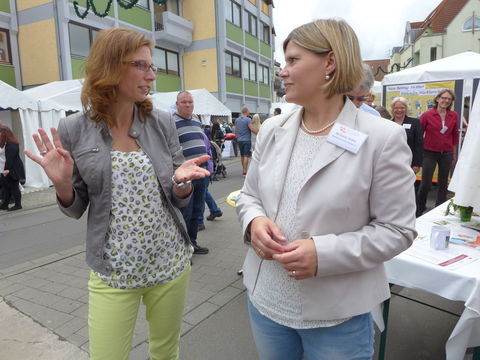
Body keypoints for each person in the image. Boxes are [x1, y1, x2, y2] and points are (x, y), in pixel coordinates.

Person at [236, 18, 416, 360]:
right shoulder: (273, 129)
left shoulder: (382, 137)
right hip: (266, 303)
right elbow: (249, 196)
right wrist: (254, 223)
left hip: (338, 317)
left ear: (329, 63)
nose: (283, 71)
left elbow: (398, 230)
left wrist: (324, 254)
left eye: (293, 60)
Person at [24, 28, 209, 360]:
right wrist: (63, 185)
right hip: (113, 270)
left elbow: (179, 195)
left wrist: (182, 184)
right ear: (109, 66)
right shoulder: (73, 128)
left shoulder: (161, 122)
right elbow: (76, 206)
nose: (151, 74)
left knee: (166, 352)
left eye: (151, 66)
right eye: (140, 65)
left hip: (170, 263)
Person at [174, 91, 210, 255]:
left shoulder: (197, 122)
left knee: (197, 210)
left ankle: (193, 243)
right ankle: (183, 248)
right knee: (185, 213)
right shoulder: (171, 122)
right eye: (184, 102)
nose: (188, 104)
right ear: (177, 104)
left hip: (201, 174)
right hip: (185, 176)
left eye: (190, 102)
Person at [416, 89, 459, 217]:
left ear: (451, 102)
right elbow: (419, 135)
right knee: (426, 182)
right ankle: (420, 208)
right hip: (429, 152)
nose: (446, 101)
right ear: (437, 99)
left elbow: (455, 135)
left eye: (449, 99)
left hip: (446, 153)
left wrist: (454, 154)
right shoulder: (427, 115)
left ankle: (439, 209)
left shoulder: (454, 115)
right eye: (444, 98)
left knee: (443, 182)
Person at [390, 97, 423, 174]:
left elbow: (419, 144)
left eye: (402, 108)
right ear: (392, 109)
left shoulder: (415, 123)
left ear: (406, 109)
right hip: (391, 161)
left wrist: (417, 164)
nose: (399, 110)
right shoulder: (388, 123)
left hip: (409, 162)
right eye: (396, 108)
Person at [197, 132, 223, 231]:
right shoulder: (203, 134)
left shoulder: (199, 134)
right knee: (203, 191)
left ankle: (199, 221)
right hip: (207, 166)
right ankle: (215, 210)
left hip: (203, 167)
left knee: (200, 193)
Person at [0, 126, 25, 211]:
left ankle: (18, 205)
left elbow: (10, 159)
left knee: (14, 187)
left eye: (0, 133)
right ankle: (5, 204)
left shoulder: (11, 144)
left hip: (12, 169)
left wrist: (6, 170)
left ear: (5, 134)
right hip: (7, 169)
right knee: (6, 188)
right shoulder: (7, 143)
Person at [235, 107, 258, 176]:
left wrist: (236, 137)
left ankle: (243, 169)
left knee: (242, 155)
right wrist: (258, 133)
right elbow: (251, 129)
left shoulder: (237, 120)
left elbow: (236, 130)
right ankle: (245, 171)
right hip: (246, 140)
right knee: (246, 155)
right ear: (247, 112)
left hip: (239, 140)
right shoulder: (248, 120)